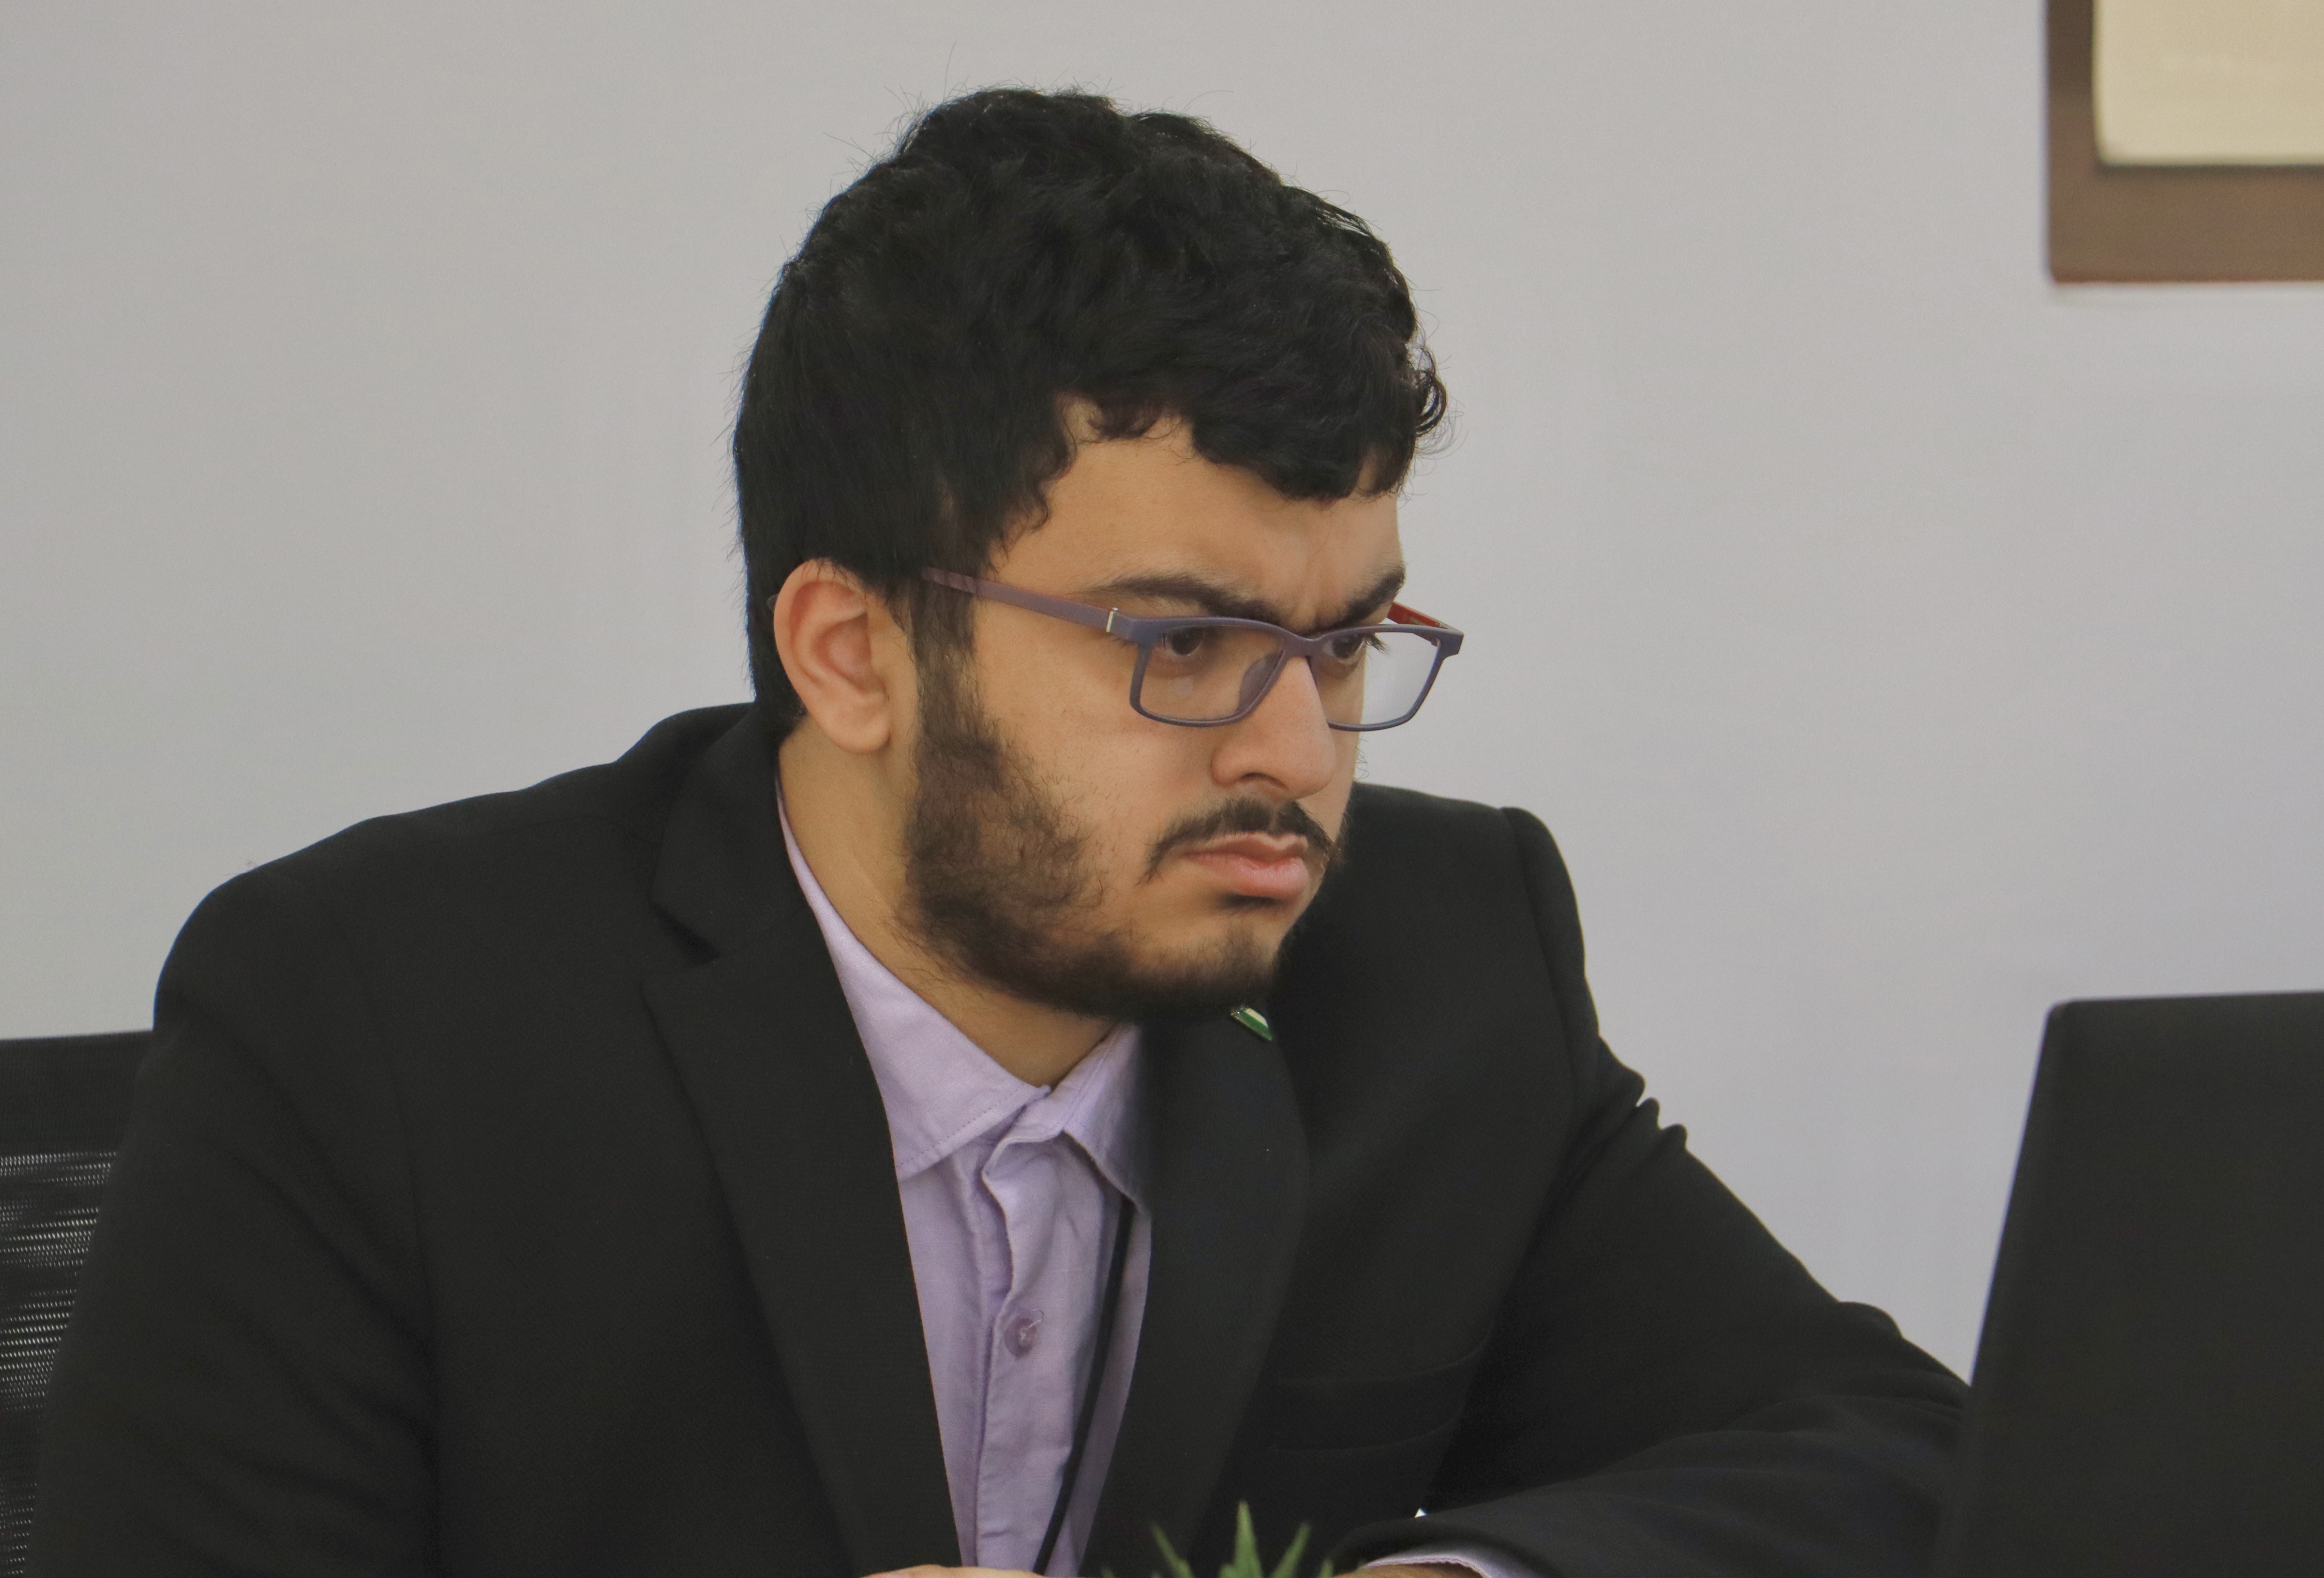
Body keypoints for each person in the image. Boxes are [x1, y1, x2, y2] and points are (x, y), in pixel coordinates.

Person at [36, 89, 1963, 1578]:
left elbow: (1904, 1456)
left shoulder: (1446, 966)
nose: (1298, 750)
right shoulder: (376, 1017)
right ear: (854, 651)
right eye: (1184, 642)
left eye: (1345, 641)